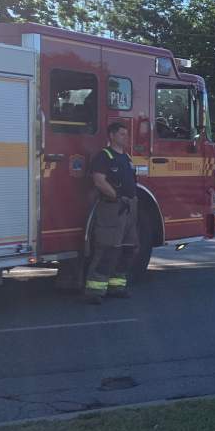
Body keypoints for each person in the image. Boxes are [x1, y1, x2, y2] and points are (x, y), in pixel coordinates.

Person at [85, 120, 139, 304]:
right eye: (122, 134)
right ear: (112, 135)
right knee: (108, 248)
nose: (126, 137)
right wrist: (116, 196)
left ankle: (117, 286)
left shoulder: (126, 157)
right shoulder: (104, 156)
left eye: (126, 134)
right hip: (112, 208)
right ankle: (94, 291)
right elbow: (99, 180)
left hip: (129, 208)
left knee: (128, 248)